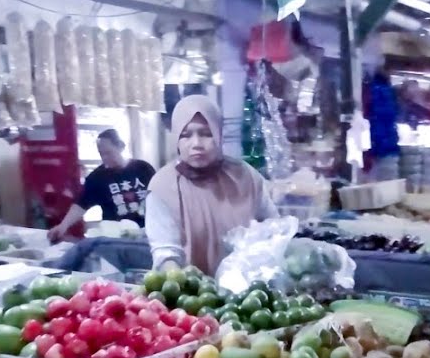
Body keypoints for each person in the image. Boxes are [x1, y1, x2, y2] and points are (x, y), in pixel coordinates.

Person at [144, 95, 279, 274]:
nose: (197, 144)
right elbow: (166, 253)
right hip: (192, 295)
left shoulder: (245, 177)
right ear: (176, 138)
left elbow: (274, 229)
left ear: (219, 134)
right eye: (185, 136)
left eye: (206, 134)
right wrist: (181, 282)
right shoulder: (163, 187)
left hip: (250, 295)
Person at [48, 129, 155, 243]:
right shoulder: (97, 177)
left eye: (108, 152)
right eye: (101, 153)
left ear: (120, 147)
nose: (104, 158)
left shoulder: (143, 168)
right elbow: (81, 204)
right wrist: (63, 226)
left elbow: (160, 196)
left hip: (148, 234)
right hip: (115, 239)